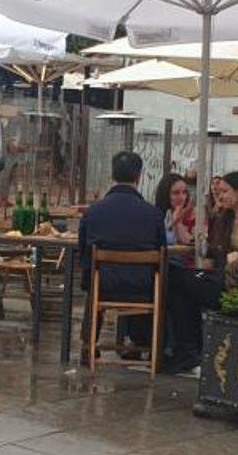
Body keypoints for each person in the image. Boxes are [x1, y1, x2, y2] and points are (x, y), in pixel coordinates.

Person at [165, 170, 238, 373]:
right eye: (218, 192)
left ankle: (188, 350)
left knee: (176, 279)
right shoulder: (225, 220)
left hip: (235, 283)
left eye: (224, 191)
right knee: (179, 284)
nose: (220, 196)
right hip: (221, 277)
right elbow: (215, 258)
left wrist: (229, 263)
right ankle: (189, 350)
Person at [78, 151, 166, 359]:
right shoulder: (153, 214)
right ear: (139, 176)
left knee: (94, 280)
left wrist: (88, 279)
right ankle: (144, 343)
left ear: (112, 175)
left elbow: (83, 252)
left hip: (104, 285)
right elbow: (162, 252)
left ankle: (87, 343)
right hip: (143, 288)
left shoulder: (94, 212)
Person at [153, 173, 194, 247]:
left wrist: (178, 223)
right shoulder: (156, 215)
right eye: (176, 193)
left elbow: (191, 243)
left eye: (184, 192)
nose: (182, 197)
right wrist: (172, 223)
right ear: (165, 194)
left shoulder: (193, 215)